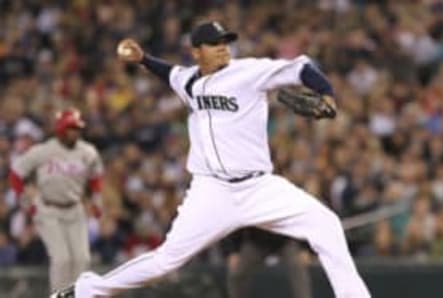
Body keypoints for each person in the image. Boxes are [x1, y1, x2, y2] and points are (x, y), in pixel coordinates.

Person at [52, 21, 371, 298]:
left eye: (225, 43)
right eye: (214, 44)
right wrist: (143, 59)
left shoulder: (249, 71)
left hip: (259, 187)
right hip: (211, 191)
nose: (223, 49)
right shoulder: (189, 80)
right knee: (165, 262)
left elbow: (301, 67)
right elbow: (170, 74)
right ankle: (84, 291)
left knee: (326, 224)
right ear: (196, 52)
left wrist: (327, 93)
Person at [9, 108, 104, 293]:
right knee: (62, 259)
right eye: (70, 128)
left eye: (77, 128)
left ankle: (79, 295)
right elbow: (16, 173)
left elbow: (96, 176)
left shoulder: (87, 151)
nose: (75, 132)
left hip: (74, 208)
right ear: (60, 129)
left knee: (82, 258)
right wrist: (24, 200)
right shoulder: (43, 151)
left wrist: (96, 200)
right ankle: (59, 296)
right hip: (48, 209)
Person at [226, 228, 312, 298]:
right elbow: (239, 220)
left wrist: (304, 247)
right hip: (257, 241)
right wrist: (234, 251)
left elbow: (300, 216)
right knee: (237, 272)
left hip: (285, 240)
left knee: (297, 266)